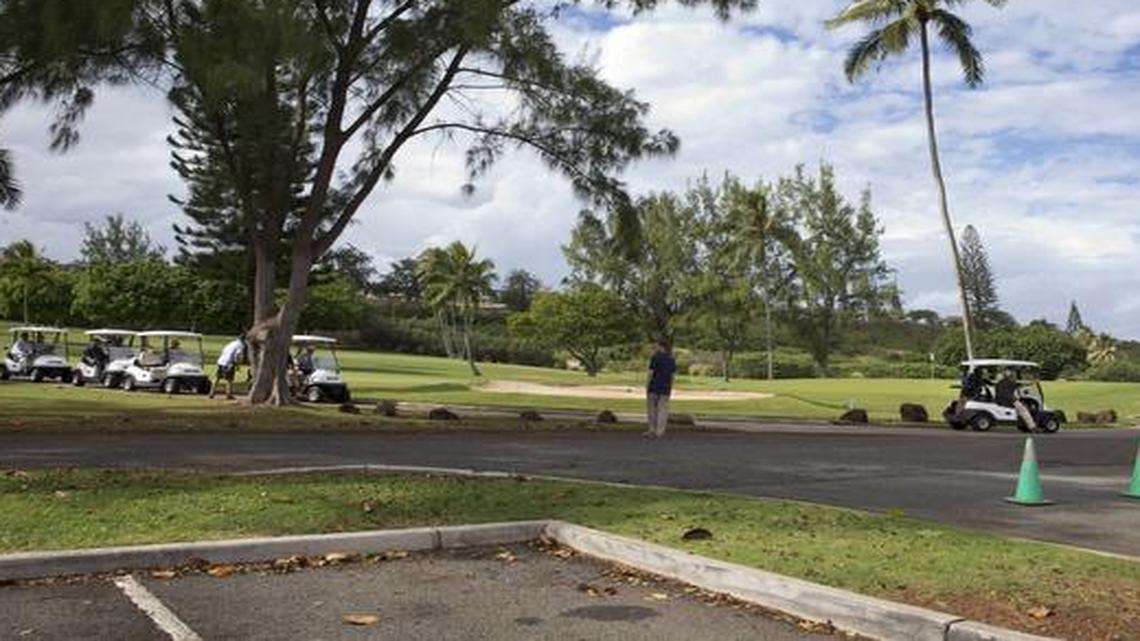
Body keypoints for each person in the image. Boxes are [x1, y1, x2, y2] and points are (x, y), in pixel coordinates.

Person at [645, 339, 677, 438]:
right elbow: (672, 375)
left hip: (654, 386)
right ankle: (660, 431)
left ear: (661, 346)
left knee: (652, 409)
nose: (656, 347)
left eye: (657, 345)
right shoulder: (671, 359)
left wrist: (647, 384)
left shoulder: (655, 358)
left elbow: (651, 373)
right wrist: (670, 386)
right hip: (665, 387)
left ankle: (652, 429)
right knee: (662, 409)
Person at [210, 335, 246, 400]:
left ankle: (211, 393)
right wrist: (237, 363)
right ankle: (228, 394)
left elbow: (224, 350)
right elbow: (238, 354)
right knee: (229, 379)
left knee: (217, 377)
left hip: (221, 361)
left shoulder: (231, 343)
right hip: (229, 363)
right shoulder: (240, 345)